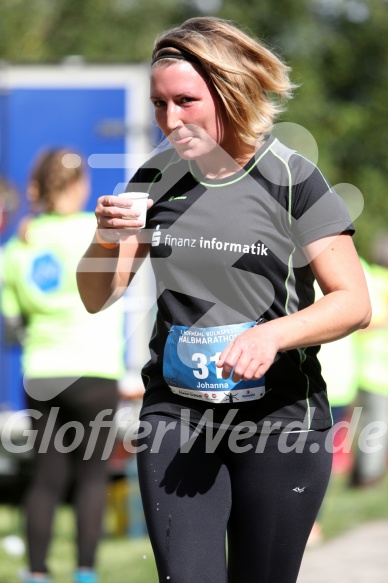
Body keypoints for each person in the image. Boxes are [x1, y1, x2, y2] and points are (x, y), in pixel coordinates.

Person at [77, 17, 371, 583]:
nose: (170, 120)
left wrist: (270, 334)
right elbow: (99, 295)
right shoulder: (154, 177)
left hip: (279, 418)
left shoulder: (291, 178)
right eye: (159, 104)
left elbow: (353, 301)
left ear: (229, 92)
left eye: (185, 101)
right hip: (176, 415)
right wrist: (103, 238)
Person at [1, 148, 125, 583]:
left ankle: (36, 573)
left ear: (39, 188)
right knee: (92, 477)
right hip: (95, 368)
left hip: (43, 370)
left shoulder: (21, 244)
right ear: (80, 186)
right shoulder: (94, 234)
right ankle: (85, 573)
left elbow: (11, 325)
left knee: (47, 477)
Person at [350, 238, 388, 487]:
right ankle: (367, 478)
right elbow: (366, 320)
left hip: (365, 368)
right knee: (376, 426)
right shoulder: (375, 279)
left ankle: (364, 473)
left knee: (369, 425)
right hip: (375, 371)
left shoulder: (368, 275)